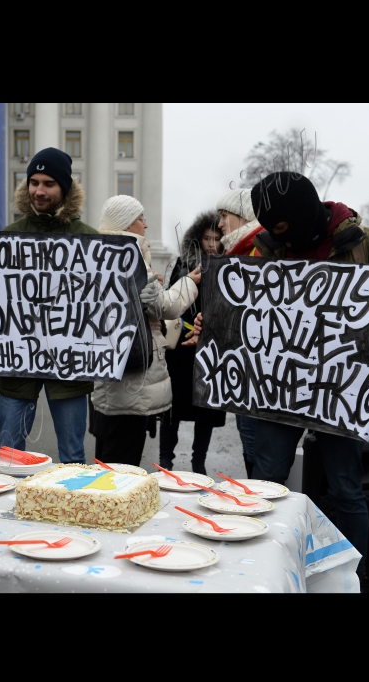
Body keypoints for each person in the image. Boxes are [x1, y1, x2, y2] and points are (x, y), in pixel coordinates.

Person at [194, 172, 369, 578]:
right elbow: (241, 310)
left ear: (302, 215)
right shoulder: (265, 247)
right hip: (276, 393)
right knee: (267, 485)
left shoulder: (361, 242)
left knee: (346, 489)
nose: (278, 235)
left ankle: (350, 580)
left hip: (340, 392)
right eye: (271, 228)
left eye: (282, 226)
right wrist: (211, 325)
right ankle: (263, 575)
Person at [0, 148, 99, 464]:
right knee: (9, 456)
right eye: (34, 182)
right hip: (17, 363)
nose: (39, 190)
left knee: (73, 455)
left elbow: (103, 302)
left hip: (69, 367)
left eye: (49, 183)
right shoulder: (7, 238)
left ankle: (70, 510)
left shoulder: (89, 240)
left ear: (64, 188)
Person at [91, 195, 201, 467]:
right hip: (133, 382)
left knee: (108, 459)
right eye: (141, 219)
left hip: (110, 379)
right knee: (122, 467)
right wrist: (189, 282)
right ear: (127, 223)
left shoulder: (100, 255)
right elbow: (164, 307)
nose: (146, 225)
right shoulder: (128, 257)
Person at [159, 212, 225, 474]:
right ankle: (166, 461)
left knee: (205, 412)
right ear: (198, 239)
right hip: (182, 350)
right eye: (207, 238)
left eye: (216, 238)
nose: (211, 243)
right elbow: (173, 301)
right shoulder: (184, 264)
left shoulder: (228, 268)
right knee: (172, 409)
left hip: (209, 349)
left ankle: (199, 463)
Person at [218, 189, 263, 476]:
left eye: (224, 216)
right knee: (252, 450)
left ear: (243, 216)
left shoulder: (258, 251)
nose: (220, 223)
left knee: (259, 456)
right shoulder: (236, 251)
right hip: (242, 371)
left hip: (257, 376)